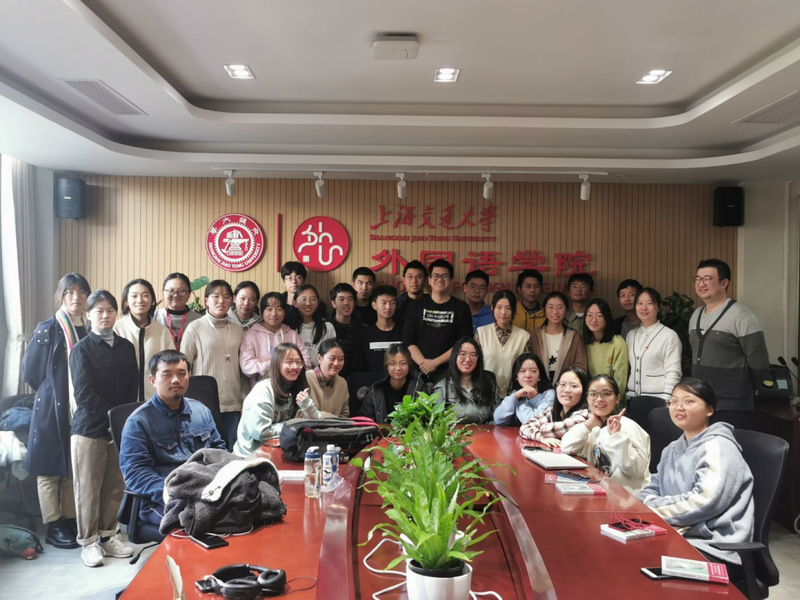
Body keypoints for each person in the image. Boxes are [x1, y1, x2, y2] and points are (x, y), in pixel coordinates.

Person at [637, 377, 754, 565]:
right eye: (673, 401)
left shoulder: (719, 447)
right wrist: (644, 504)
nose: (678, 407)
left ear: (709, 410)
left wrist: (649, 508)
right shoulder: (672, 448)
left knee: (639, 563)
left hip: (713, 546)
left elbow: (704, 502)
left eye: (688, 401)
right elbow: (653, 487)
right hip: (678, 533)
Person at [22, 273, 91, 549]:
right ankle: (54, 524)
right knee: (49, 469)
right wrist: (55, 390)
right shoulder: (48, 328)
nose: (76, 297)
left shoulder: (89, 328)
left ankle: (70, 519)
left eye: (81, 292)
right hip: (51, 408)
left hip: (81, 408)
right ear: (61, 296)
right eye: (70, 292)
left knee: (74, 466)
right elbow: (31, 373)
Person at [69, 290, 138, 567]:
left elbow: (132, 388)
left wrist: (122, 421)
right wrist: (111, 418)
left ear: (116, 313)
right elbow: (84, 394)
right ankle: (88, 543)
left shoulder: (126, 347)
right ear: (89, 315)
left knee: (114, 485)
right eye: (99, 311)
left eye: (110, 310)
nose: (105, 315)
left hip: (119, 428)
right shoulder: (81, 349)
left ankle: (109, 537)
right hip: (90, 428)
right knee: (88, 487)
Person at [119, 350, 226, 527]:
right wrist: (173, 492)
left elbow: (218, 451)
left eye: (182, 374)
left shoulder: (201, 411)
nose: (176, 380)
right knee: (195, 521)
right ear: (153, 380)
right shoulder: (138, 422)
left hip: (204, 490)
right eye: (167, 374)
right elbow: (135, 472)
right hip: (160, 500)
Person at [689, 258, 769, 429]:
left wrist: (742, 388)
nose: (701, 284)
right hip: (702, 403)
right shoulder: (696, 315)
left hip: (733, 407)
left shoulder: (742, 316)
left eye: (707, 279)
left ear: (724, 283)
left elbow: (760, 363)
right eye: (698, 279)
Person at [181, 280, 245, 448]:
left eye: (226, 297)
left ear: (231, 301)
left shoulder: (238, 329)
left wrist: (244, 400)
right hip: (202, 404)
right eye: (215, 296)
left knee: (232, 451)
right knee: (206, 451)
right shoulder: (194, 328)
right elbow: (183, 367)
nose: (221, 301)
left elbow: (243, 368)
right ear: (206, 301)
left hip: (233, 402)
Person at [561, 375, 651, 494]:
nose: (599, 399)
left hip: (630, 497)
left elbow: (636, 470)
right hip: (603, 492)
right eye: (593, 394)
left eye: (606, 394)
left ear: (617, 398)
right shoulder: (595, 429)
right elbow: (567, 447)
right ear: (587, 399)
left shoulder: (627, 425)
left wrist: (616, 437)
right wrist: (587, 425)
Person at [235, 343, 321, 456]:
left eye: (299, 362)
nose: (295, 366)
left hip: (280, 452)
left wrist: (307, 405)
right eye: (289, 362)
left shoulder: (296, 389)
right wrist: (294, 425)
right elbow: (261, 432)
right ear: (277, 364)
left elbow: (316, 423)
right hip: (250, 456)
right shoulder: (263, 391)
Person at [403, 259, 473, 382]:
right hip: (419, 372)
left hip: (450, 372)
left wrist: (435, 363)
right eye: (436, 275)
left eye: (444, 276)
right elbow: (408, 339)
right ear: (429, 280)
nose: (440, 279)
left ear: (451, 280)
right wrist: (424, 364)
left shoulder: (461, 307)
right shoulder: (416, 306)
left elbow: (463, 342)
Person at [113, 278, 174, 403]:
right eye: (134, 296)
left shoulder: (162, 332)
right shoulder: (116, 329)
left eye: (145, 295)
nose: (140, 300)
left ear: (152, 300)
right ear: (126, 301)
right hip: (123, 402)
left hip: (156, 401)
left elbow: (171, 367)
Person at [240, 292, 311, 383]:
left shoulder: (292, 335)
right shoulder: (252, 334)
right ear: (262, 312)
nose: (274, 313)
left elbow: (306, 363)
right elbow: (246, 365)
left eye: (279, 309)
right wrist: (286, 364)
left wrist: (266, 363)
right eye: (269, 309)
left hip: (290, 386)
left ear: (284, 312)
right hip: (262, 387)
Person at [626, 287, 682, 401]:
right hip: (632, 398)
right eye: (639, 303)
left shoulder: (669, 335)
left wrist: (667, 400)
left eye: (649, 303)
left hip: (658, 398)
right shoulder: (631, 335)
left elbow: (673, 372)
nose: (644, 308)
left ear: (658, 307)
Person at [475, 290, 532, 397]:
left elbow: (526, 370)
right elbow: (475, 366)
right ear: (492, 308)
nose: (503, 312)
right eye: (499, 307)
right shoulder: (481, 333)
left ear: (514, 310)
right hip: (485, 394)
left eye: (508, 308)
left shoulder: (524, 336)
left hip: (513, 395)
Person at [433, 337, 500, 424]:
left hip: (485, 431)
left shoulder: (489, 384)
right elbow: (435, 421)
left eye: (473, 355)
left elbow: (497, 418)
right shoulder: (442, 387)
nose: (468, 359)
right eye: (463, 354)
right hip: (454, 432)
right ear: (455, 356)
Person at [520, 366, 590, 445]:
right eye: (562, 384)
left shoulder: (585, 414)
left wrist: (540, 428)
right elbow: (525, 427)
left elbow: (565, 428)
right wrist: (541, 438)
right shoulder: (552, 411)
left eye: (574, 386)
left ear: (584, 391)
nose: (566, 390)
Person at [357, 344, 425, 424]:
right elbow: (365, 421)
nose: (398, 368)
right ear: (387, 366)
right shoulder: (375, 391)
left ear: (409, 365)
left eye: (403, 363)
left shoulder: (419, 387)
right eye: (392, 364)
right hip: (382, 432)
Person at [530, 291, 587, 384]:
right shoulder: (534, 335)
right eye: (550, 307)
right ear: (544, 309)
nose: (555, 312)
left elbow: (580, 367)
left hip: (567, 386)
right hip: (538, 386)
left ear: (566, 310)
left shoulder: (574, 336)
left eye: (560, 307)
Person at [583, 298, 629, 399]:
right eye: (589, 315)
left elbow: (620, 380)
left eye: (599, 315)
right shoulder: (584, 343)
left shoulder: (617, 343)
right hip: (589, 399)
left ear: (607, 318)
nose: (594, 320)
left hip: (611, 399)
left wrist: (611, 399)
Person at [493, 353, 555, 425]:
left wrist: (520, 402)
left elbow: (534, 422)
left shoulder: (549, 394)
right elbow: (498, 419)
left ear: (539, 376)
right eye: (522, 371)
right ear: (516, 376)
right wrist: (515, 396)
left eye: (533, 371)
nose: (527, 375)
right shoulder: (516, 392)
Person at [291, 284, 336, 368]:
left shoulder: (328, 327)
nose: (308, 303)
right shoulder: (289, 329)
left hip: (321, 374)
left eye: (312, 299)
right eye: (303, 299)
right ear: (295, 303)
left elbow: (333, 357)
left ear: (318, 303)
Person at [154, 272, 201, 350]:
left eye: (181, 291)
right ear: (163, 292)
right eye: (171, 290)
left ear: (189, 294)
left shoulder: (198, 320)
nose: (176, 295)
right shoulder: (154, 317)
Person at [362, 285, 403, 372]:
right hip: (372, 379)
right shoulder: (365, 334)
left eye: (392, 303)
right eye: (383, 303)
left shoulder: (403, 331)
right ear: (374, 305)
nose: (388, 307)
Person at [329, 282, 365, 378]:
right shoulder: (326, 328)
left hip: (355, 380)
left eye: (350, 299)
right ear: (333, 303)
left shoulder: (362, 330)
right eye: (341, 299)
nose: (346, 303)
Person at [305, 340, 349, 417]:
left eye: (341, 359)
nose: (336, 363)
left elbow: (345, 415)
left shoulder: (342, 383)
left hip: (336, 425)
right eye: (332, 359)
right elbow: (300, 414)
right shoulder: (306, 378)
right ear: (319, 358)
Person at [394, 260, 427, 330]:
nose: (414, 281)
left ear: (425, 280)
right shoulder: (397, 305)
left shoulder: (432, 303)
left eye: (419, 277)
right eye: (410, 277)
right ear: (404, 280)